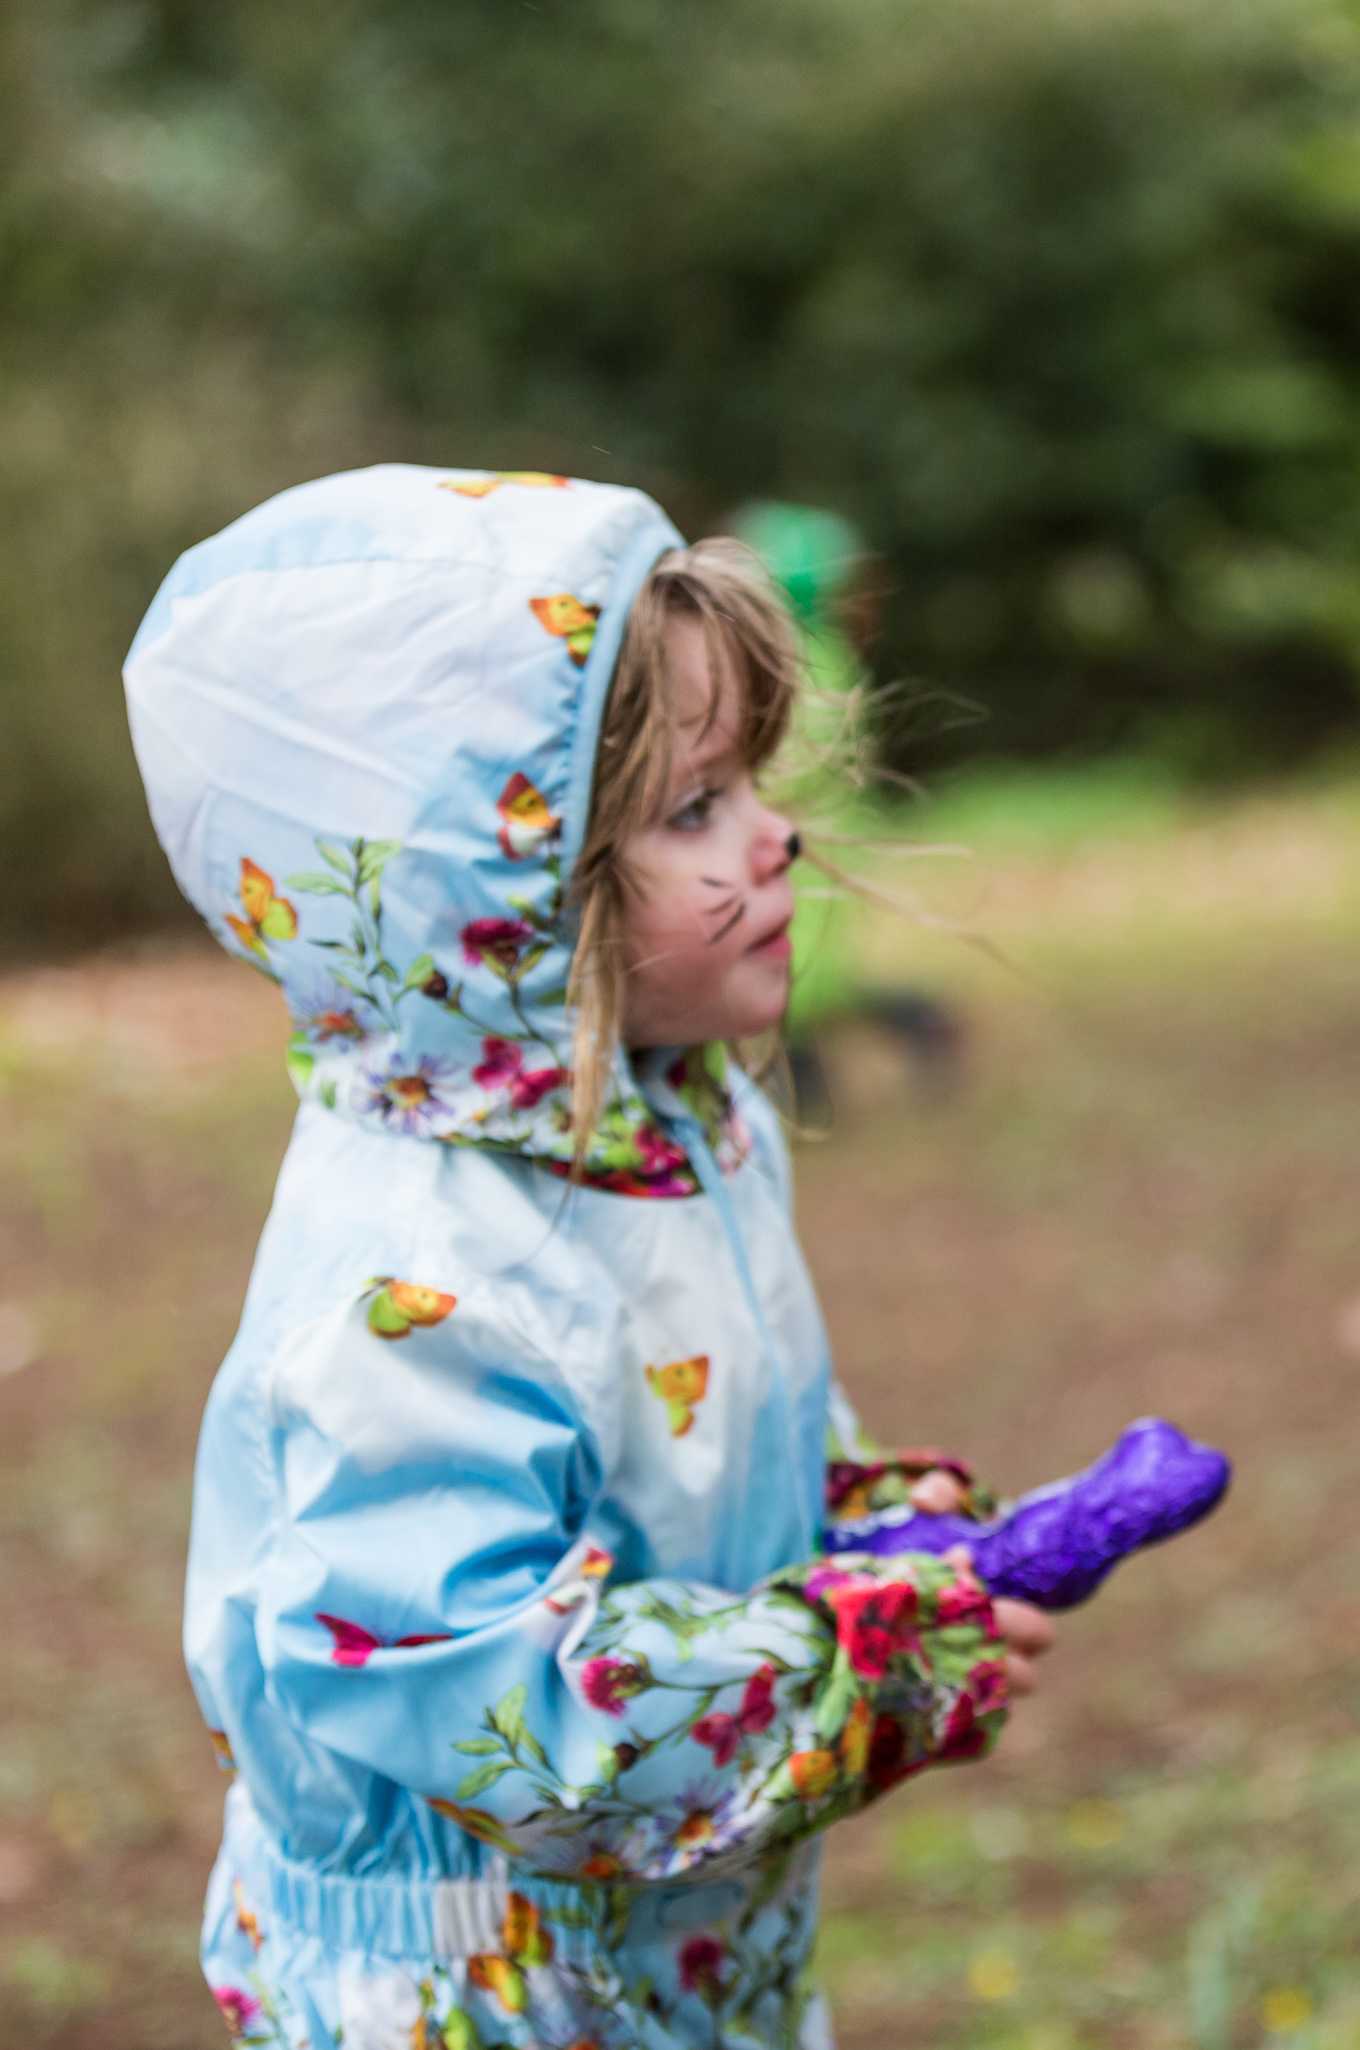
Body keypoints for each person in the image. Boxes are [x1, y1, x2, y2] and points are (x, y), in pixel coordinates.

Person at [128, 465, 1051, 2048]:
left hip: (679, 1945)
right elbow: (500, 1701)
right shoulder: (417, 1281)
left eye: (752, 780)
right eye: (695, 809)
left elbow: (716, 1433)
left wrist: (866, 1520)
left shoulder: (664, 1128)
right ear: (494, 909)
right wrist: (855, 1662)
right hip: (473, 1993)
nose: (778, 837)